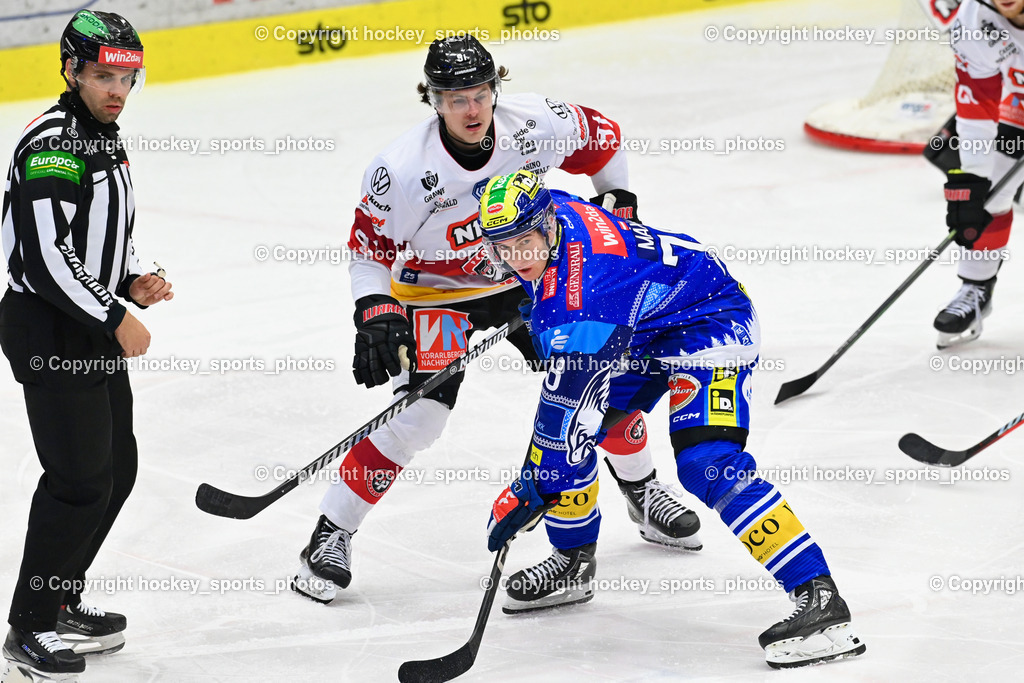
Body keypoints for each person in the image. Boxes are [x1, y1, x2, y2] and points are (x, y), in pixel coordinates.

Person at [293, 35, 701, 608]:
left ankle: (641, 488)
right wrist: (376, 311)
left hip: (527, 277)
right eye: (456, 98)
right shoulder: (402, 170)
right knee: (419, 418)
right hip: (436, 296)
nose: (472, 109)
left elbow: (604, 140)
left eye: (481, 94)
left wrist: (620, 202)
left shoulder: (534, 122)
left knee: (595, 382)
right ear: (433, 100)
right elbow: (368, 252)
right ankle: (331, 532)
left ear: (495, 89)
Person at [479, 171, 866, 667]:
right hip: (647, 322)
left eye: (525, 243)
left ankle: (820, 600)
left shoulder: (584, 299)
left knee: (706, 463)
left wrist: (530, 489)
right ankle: (574, 561)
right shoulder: (553, 207)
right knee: (583, 433)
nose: (517, 257)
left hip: (712, 323)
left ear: (548, 226)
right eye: (504, 247)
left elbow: (562, 422)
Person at [0, 10, 172, 680]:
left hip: (87, 324)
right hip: (49, 329)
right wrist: (116, 314)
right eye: (103, 76)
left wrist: (132, 280)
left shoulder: (104, 138)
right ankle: (29, 625)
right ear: (71, 70)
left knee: (115, 471)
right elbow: (45, 258)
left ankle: (60, 598)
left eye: (127, 78)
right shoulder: (54, 143)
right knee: (77, 483)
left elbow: (96, 238)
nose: (117, 90)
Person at [934, 0, 1022, 348]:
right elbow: (977, 108)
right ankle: (976, 286)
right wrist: (972, 180)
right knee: (987, 193)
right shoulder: (975, 20)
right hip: (1018, 105)